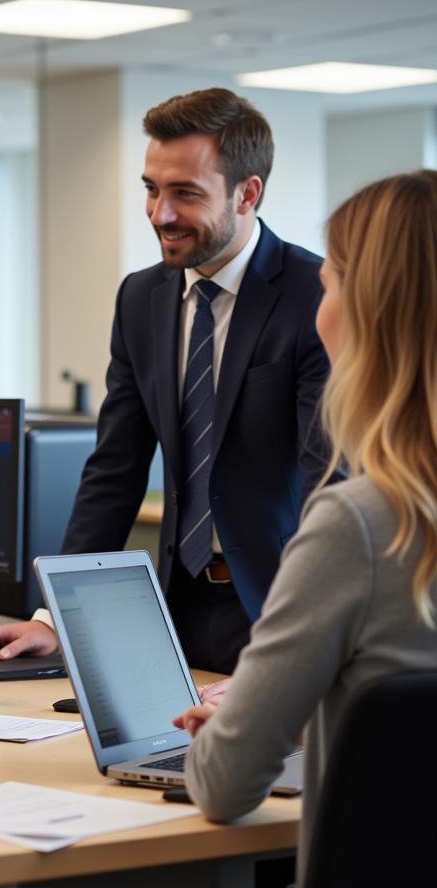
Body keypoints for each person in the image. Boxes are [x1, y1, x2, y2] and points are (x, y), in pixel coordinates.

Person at [0, 88, 333, 674]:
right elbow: (115, 467)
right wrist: (55, 618)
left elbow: (332, 484)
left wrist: (301, 647)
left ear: (247, 194)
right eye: (151, 189)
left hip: (284, 610)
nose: (159, 214)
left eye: (185, 194)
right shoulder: (141, 297)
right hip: (175, 607)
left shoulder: (315, 294)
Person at [176, 170, 437, 885]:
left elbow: (224, 787)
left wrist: (233, 738)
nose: (318, 307)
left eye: (329, 284)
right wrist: (315, 717)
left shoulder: (359, 525)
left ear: (370, 311)